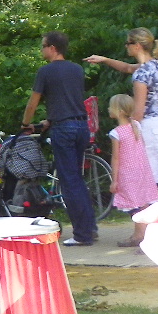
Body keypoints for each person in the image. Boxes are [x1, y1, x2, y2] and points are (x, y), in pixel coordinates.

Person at [86, 27, 158, 203]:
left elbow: (138, 111)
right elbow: (127, 67)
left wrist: (127, 130)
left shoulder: (142, 73)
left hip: (152, 129)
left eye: (128, 43)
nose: (126, 46)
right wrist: (105, 60)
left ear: (137, 45)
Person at [21, 31, 98, 246]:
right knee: (77, 179)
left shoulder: (45, 71)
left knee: (69, 181)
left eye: (43, 46)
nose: (41, 50)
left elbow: (33, 102)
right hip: (81, 126)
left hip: (63, 130)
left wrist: (25, 123)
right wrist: (50, 120)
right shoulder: (77, 69)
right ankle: (90, 227)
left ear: (52, 48)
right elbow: (69, 100)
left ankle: (82, 235)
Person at [107, 94, 158, 248]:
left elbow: (116, 158)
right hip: (142, 171)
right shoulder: (136, 126)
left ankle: (144, 237)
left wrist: (114, 180)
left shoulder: (116, 133)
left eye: (111, 107)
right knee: (143, 203)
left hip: (128, 174)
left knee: (134, 206)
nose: (108, 109)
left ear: (119, 111)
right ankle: (139, 234)